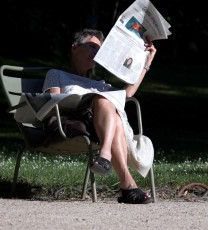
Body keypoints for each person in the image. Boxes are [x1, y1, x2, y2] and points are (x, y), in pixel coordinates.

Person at [43, 28, 157, 204]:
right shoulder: (56, 74)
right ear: (74, 47)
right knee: (106, 102)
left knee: (112, 109)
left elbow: (127, 94)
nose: (96, 53)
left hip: (101, 127)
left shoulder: (99, 84)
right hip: (74, 122)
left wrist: (146, 64)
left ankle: (122, 178)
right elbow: (53, 105)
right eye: (91, 47)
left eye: (100, 50)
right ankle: (123, 180)